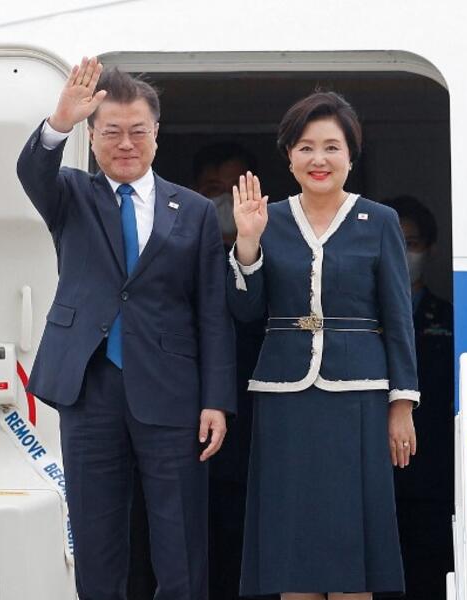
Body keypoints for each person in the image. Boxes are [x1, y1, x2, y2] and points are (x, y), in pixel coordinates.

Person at [16, 57, 236, 600]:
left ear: (157, 134)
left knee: (180, 537)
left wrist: (216, 400)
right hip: (89, 385)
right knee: (96, 536)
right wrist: (59, 121)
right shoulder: (71, 195)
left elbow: (212, 309)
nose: (126, 143)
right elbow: (32, 172)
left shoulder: (195, 211)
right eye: (111, 132)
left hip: (173, 390)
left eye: (138, 131)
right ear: (92, 138)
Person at [227, 91, 419, 599]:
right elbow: (246, 313)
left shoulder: (378, 221)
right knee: (294, 545)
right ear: (288, 156)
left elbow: (399, 317)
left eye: (332, 147)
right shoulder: (268, 219)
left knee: (352, 545)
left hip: (358, 397)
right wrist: (247, 243)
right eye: (306, 147)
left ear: (351, 156)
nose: (319, 159)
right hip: (285, 398)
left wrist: (402, 405)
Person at [192, 142, 275, 600]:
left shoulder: (278, 251)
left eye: (236, 189)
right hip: (195, 430)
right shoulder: (178, 250)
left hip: (263, 428)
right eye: (212, 190)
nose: (225, 201)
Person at [386, 195, 455, 600]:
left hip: (433, 474)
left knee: (430, 575)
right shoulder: (358, 316)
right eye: (393, 242)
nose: (402, 253)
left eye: (410, 244)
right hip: (374, 473)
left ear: (429, 248)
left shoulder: (451, 317)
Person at [193, 142, 259, 245]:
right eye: (214, 188)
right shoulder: (182, 252)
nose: (227, 197)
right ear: (195, 191)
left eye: (237, 187)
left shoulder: (274, 249)